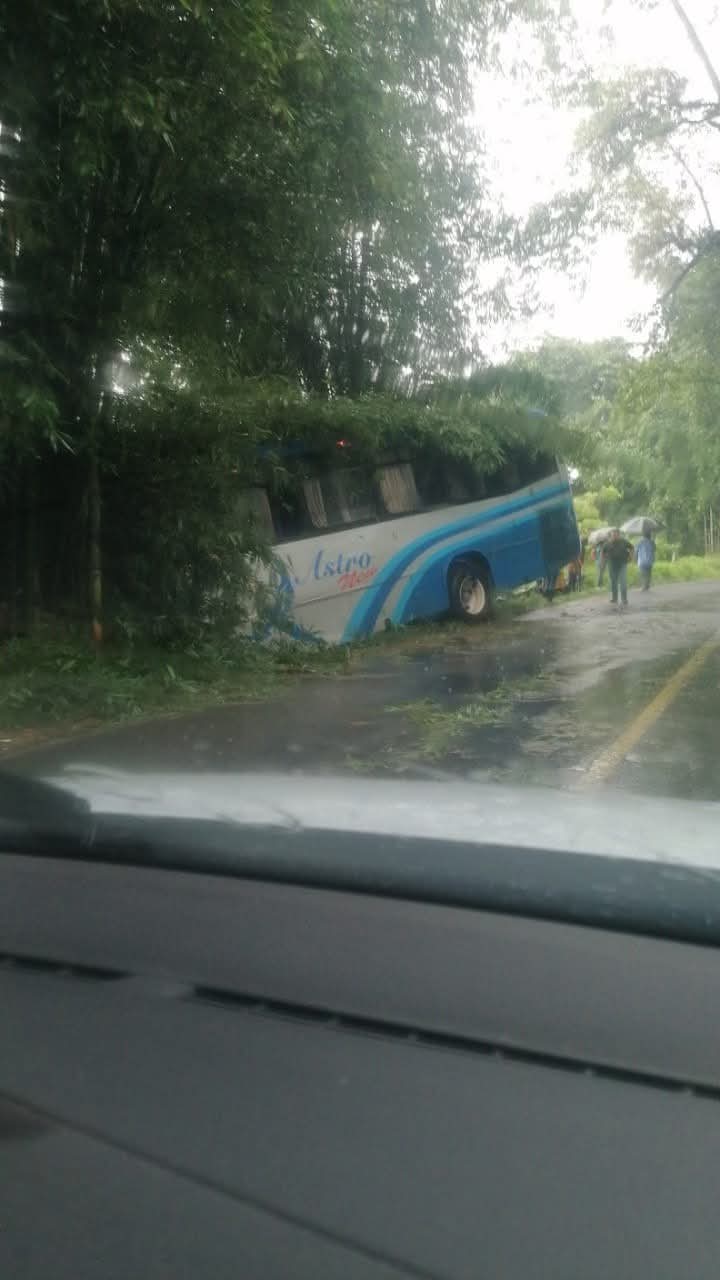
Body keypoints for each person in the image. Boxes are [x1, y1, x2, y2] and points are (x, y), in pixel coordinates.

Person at [605, 527, 633, 608]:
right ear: (611, 535)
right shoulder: (607, 543)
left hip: (622, 564)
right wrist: (603, 564)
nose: (614, 536)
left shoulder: (624, 541)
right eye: (613, 535)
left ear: (619, 535)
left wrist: (631, 556)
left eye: (616, 534)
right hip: (611, 565)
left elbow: (631, 548)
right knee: (613, 582)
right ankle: (614, 598)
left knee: (623, 582)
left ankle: (624, 599)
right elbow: (603, 553)